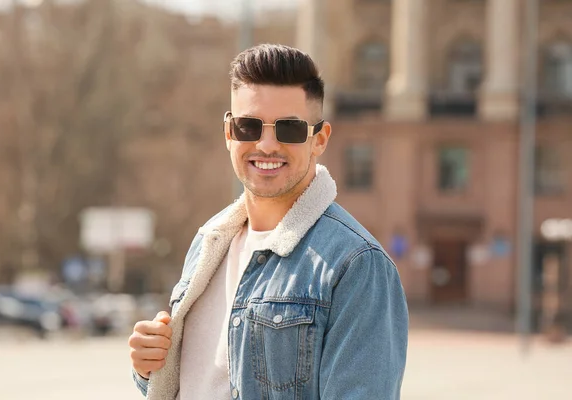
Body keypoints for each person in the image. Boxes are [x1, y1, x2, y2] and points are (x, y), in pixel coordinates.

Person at [128, 44, 408, 400]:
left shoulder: (356, 264)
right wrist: (149, 367)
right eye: (249, 126)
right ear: (229, 132)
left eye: (289, 129)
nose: (266, 144)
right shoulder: (209, 243)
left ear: (319, 139)